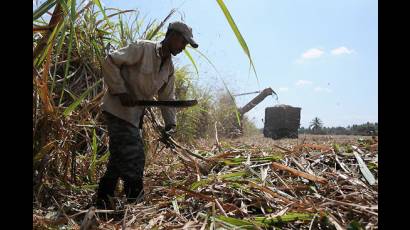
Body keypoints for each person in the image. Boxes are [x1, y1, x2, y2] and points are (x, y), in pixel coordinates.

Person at [96, 21, 199, 207]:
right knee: (135, 156)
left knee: (119, 157)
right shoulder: (143, 48)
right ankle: (135, 201)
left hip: (134, 116)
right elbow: (110, 60)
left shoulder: (168, 67)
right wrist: (121, 91)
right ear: (173, 36)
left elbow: (167, 97)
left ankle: (103, 198)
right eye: (183, 42)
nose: (184, 47)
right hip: (118, 110)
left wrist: (170, 124)